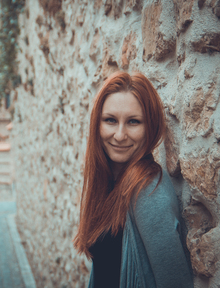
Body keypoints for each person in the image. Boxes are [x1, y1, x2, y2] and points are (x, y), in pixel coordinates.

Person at [73, 72, 193, 288]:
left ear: (150, 127)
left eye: (133, 122)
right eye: (110, 120)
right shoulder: (111, 182)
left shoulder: (148, 192)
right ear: (97, 125)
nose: (119, 135)